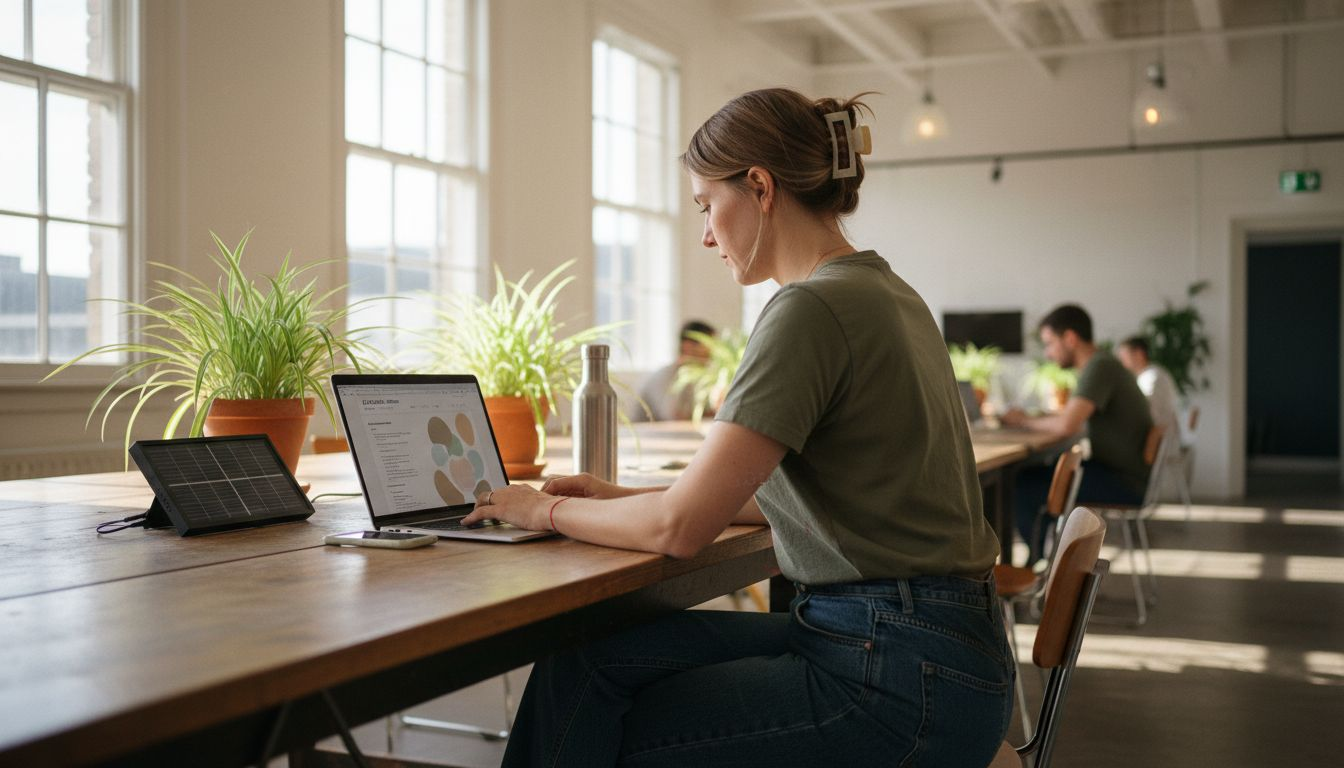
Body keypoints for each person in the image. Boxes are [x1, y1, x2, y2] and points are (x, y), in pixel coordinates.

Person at [462, 88, 1013, 767]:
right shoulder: (891, 294)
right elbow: (788, 500)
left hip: (891, 673)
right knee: (586, 663)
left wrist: (541, 510)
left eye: (705, 205)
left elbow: (680, 532)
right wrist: (618, 499)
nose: (704, 234)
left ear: (758, 186)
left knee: (604, 727)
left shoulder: (807, 310)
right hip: (941, 651)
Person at [1001, 305, 1153, 563]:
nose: (1048, 353)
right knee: (1040, 474)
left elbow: (1066, 426)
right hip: (1126, 474)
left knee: (1021, 483)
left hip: (1124, 481)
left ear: (1070, 338)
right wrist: (1035, 419)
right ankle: (1042, 561)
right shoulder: (1103, 364)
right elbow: (1071, 418)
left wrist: (1022, 421)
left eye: (1050, 343)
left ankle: (1035, 567)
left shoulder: (1100, 367)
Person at [637, 319, 715, 421]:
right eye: (711, 344)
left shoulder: (698, 377)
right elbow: (671, 416)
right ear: (688, 345)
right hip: (645, 434)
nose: (714, 352)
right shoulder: (666, 376)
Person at [1116, 335, 1181, 439]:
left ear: (1139, 354)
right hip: (1161, 442)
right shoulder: (1151, 375)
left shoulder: (1152, 377)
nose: (1121, 362)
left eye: (1123, 357)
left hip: (1159, 446)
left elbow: (1145, 415)